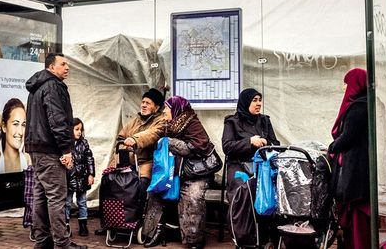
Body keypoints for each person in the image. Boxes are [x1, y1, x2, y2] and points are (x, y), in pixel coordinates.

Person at [24, 52, 86, 249]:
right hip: (50, 150)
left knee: (41, 196)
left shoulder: (38, 86)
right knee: (57, 197)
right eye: (63, 64)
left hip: (37, 149)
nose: (67, 68)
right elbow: (57, 120)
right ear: (51, 67)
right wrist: (66, 150)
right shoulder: (53, 86)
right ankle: (62, 243)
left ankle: (42, 241)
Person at [142, 96, 214, 249]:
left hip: (196, 173)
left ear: (176, 110)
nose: (165, 113)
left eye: (167, 110)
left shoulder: (192, 124)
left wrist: (171, 143)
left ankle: (193, 239)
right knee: (156, 190)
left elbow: (198, 147)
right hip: (175, 171)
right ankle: (153, 232)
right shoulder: (169, 125)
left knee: (192, 195)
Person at [97, 87, 166, 236]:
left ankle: (134, 220)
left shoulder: (161, 121)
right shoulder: (136, 120)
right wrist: (124, 145)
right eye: (143, 102)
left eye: (148, 102)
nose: (144, 105)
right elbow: (121, 136)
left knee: (139, 186)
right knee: (108, 182)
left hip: (146, 161)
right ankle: (109, 221)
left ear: (157, 107)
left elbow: (152, 134)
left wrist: (134, 139)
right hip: (127, 161)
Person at [328, 68, 370, 249]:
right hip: (366, 169)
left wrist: (331, 147)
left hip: (355, 172)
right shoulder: (373, 104)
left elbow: (347, 138)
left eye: (348, 84)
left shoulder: (358, 107)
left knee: (355, 219)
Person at [222, 88, 279, 200]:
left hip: (261, 165)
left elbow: (276, 144)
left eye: (260, 100)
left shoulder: (264, 121)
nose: (259, 104)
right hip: (238, 165)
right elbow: (227, 146)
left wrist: (266, 142)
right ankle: (239, 217)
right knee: (242, 191)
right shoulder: (232, 122)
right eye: (254, 100)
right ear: (246, 102)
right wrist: (250, 142)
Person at [65, 118, 94, 237]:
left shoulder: (84, 143)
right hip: (69, 178)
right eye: (76, 129)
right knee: (67, 202)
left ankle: (83, 225)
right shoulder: (66, 145)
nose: (79, 132)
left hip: (82, 178)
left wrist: (91, 174)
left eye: (81, 130)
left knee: (82, 202)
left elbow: (90, 159)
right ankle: (65, 225)